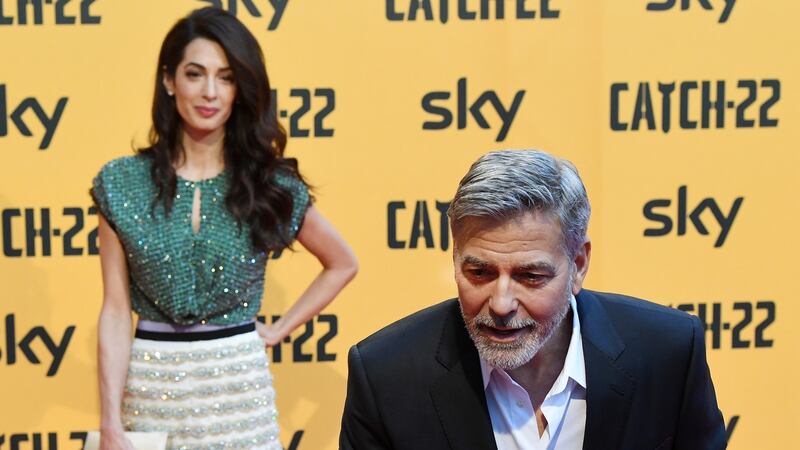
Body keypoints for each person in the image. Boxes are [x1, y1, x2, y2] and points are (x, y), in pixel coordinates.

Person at [92, 8, 358, 450]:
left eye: (227, 77)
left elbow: (342, 263)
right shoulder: (122, 184)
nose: (210, 92)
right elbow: (117, 311)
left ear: (241, 88)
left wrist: (276, 331)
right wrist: (110, 425)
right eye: (195, 74)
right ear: (169, 81)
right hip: (151, 388)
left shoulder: (268, 183)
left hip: (240, 394)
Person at [340, 149, 725, 450]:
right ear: (455, 258)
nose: (501, 303)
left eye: (530, 276)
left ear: (578, 263)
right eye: (480, 273)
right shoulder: (386, 376)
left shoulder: (668, 352)